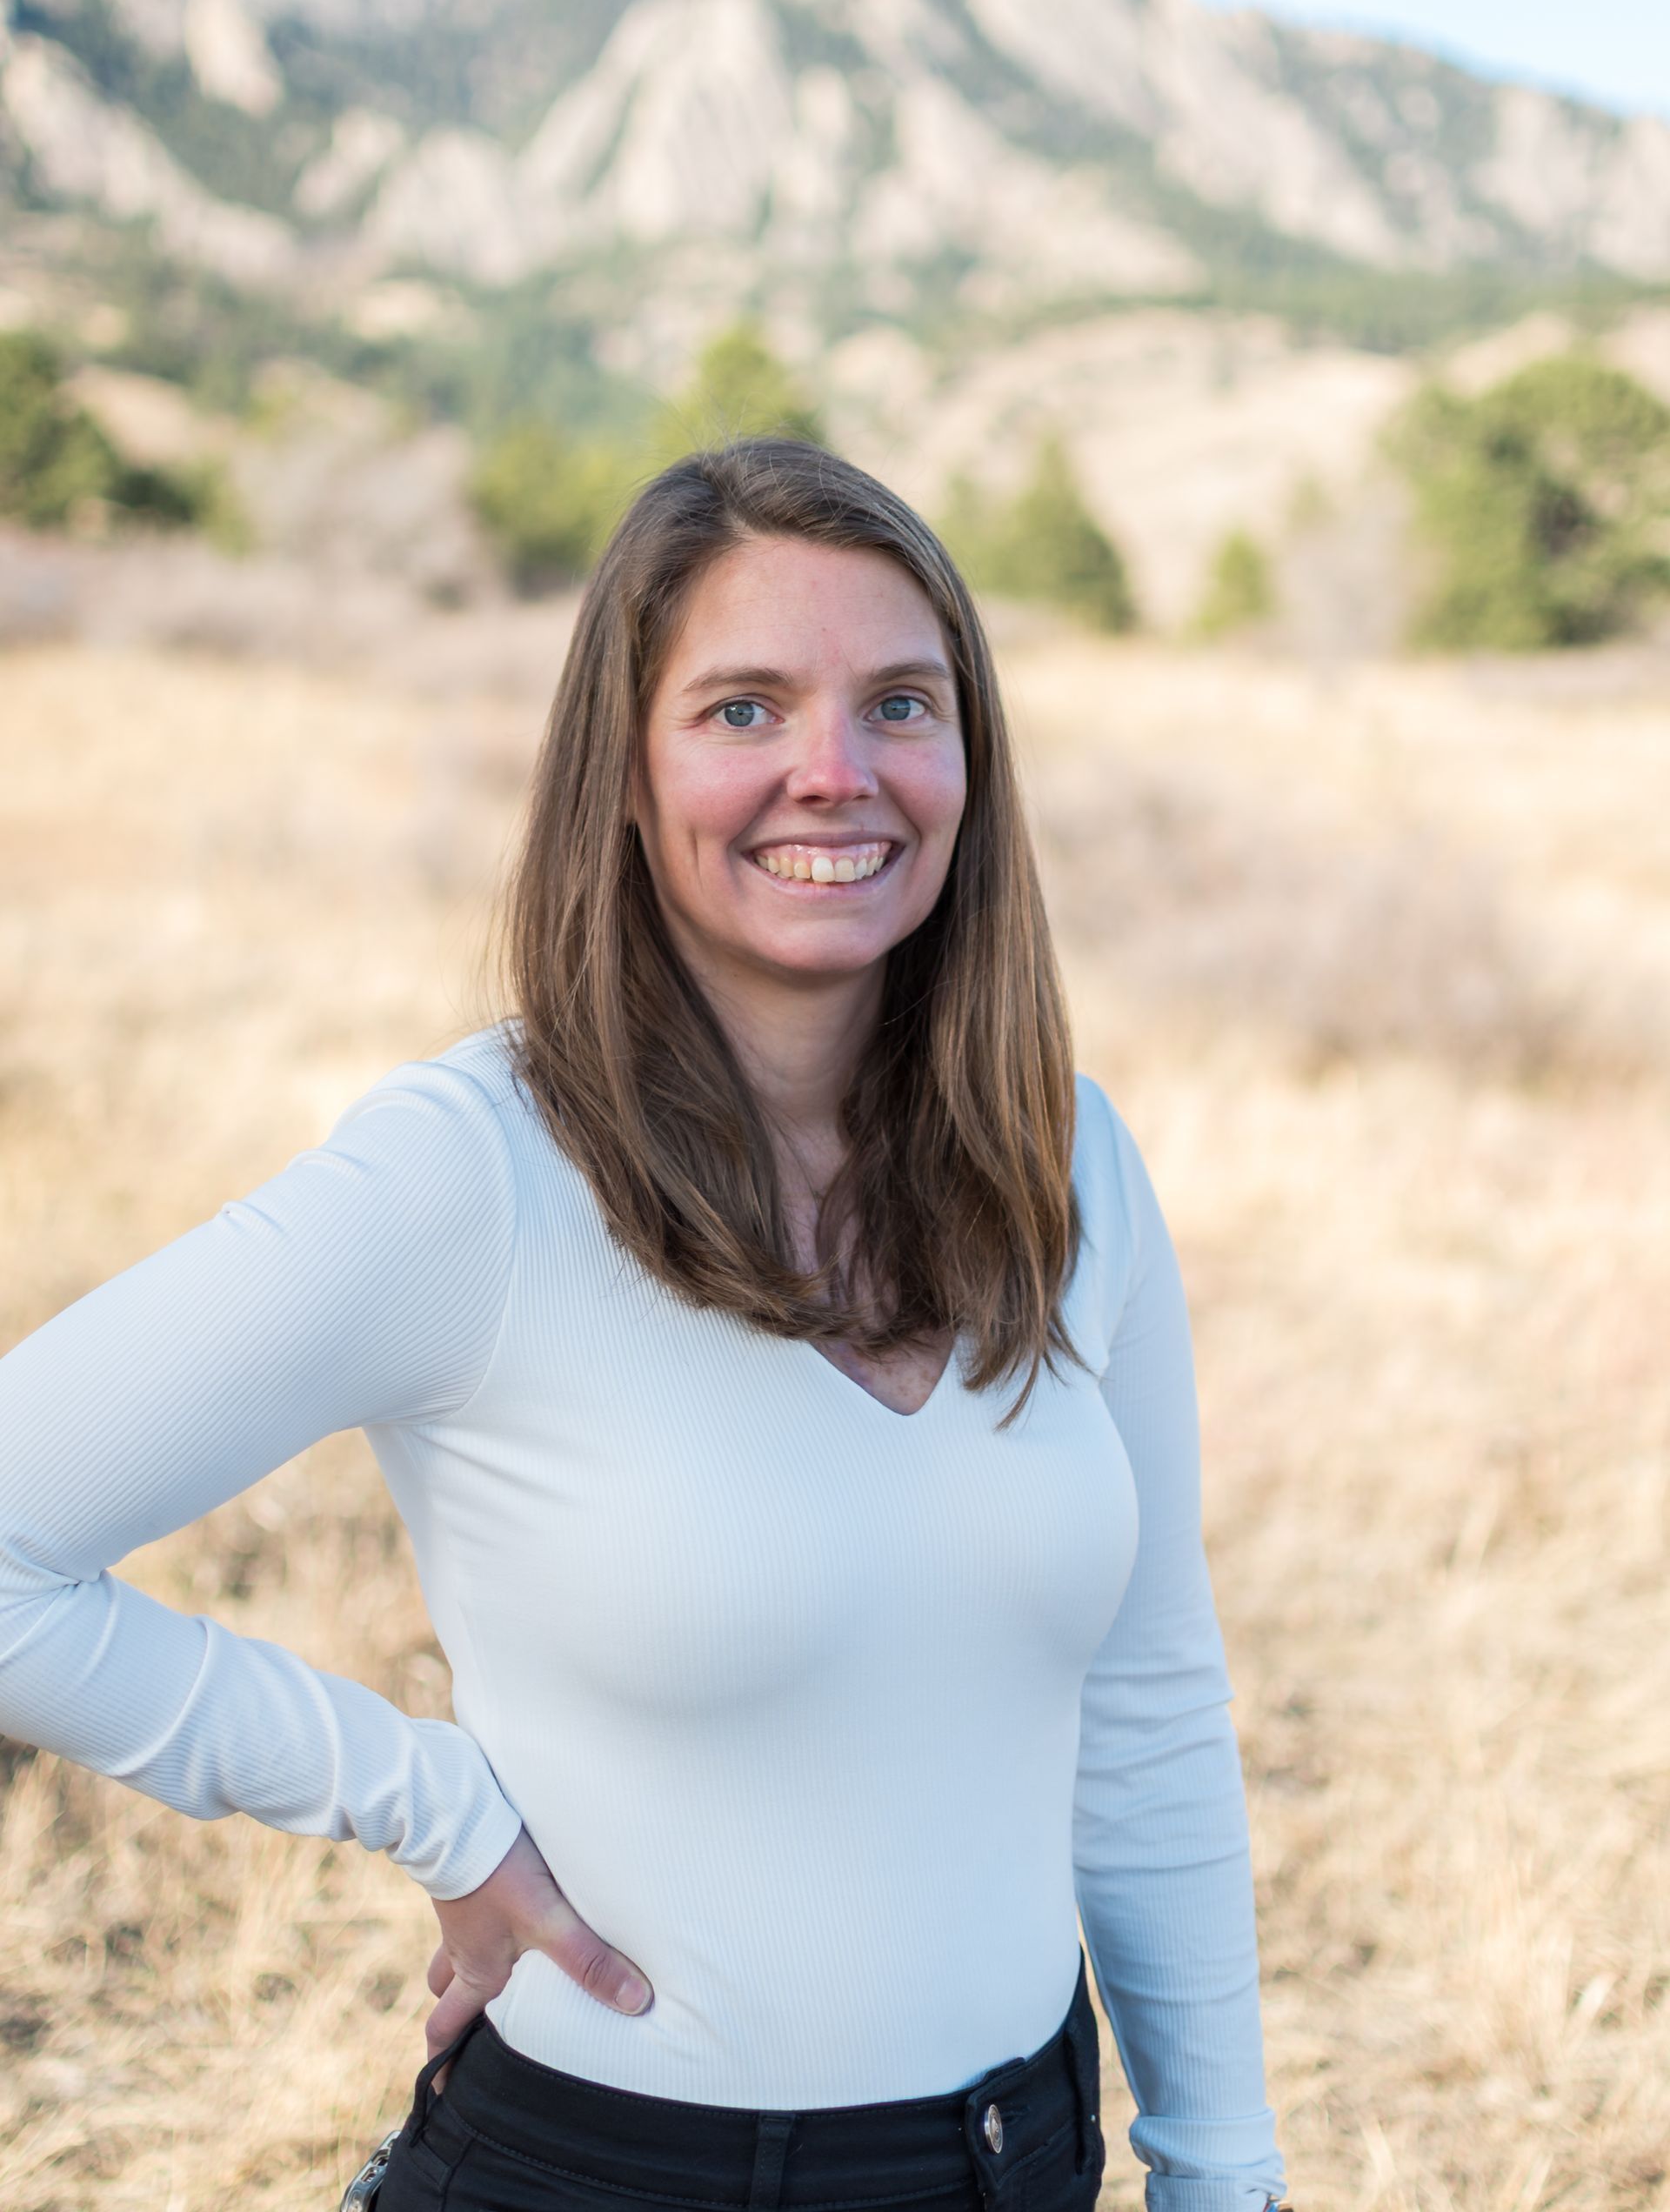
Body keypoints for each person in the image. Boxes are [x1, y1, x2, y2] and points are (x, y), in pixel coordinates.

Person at [0, 440, 1288, 2212]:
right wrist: (430, 1806)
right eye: (745, 708)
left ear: (970, 760)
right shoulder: (478, 1178)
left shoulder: (1065, 1157)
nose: (834, 773)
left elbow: (1146, 1702)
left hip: (1022, 2161)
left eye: (900, 704)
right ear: (621, 769)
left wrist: (1223, 2167)